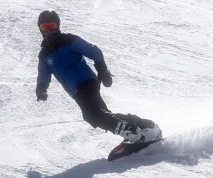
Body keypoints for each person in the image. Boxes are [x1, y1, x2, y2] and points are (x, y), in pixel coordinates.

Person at [35, 10, 161, 153]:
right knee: (103, 114)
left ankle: (133, 133)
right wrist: (41, 88)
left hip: (86, 82)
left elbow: (94, 51)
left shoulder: (68, 40)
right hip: (75, 91)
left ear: (58, 26)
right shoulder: (43, 55)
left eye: (52, 26)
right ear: (40, 29)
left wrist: (102, 70)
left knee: (92, 115)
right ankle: (145, 126)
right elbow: (43, 74)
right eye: (45, 27)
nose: (49, 31)